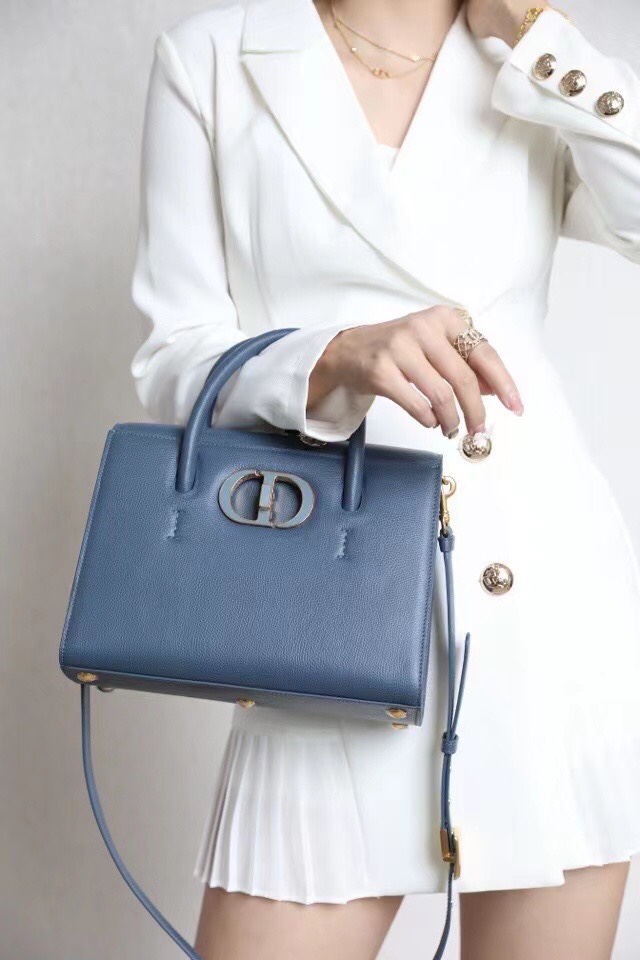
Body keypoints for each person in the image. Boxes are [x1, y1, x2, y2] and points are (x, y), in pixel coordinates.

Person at [130, 1, 640, 957]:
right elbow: (173, 360)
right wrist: (330, 355)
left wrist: (541, 37)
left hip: (545, 601)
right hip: (328, 602)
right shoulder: (214, 55)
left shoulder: (531, 57)